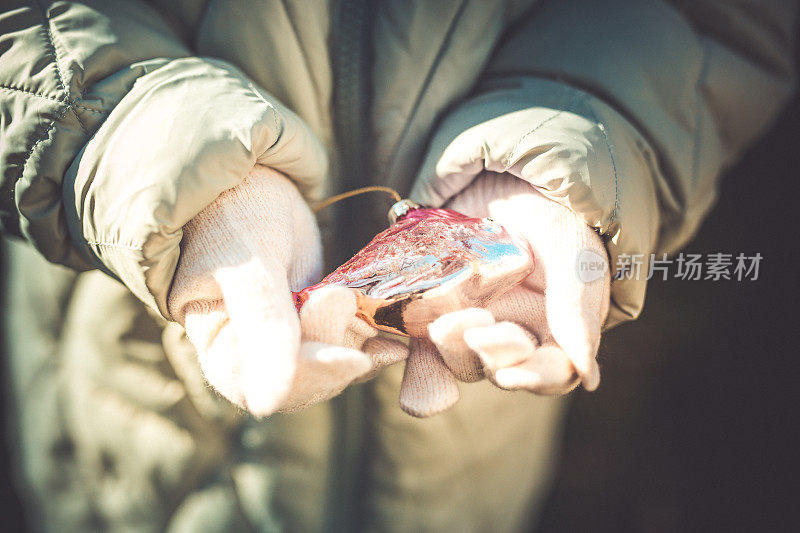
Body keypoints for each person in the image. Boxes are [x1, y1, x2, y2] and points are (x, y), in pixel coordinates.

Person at [0, 1, 795, 531]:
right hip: (137, 397)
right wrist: (148, 155)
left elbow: (708, 18)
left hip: (465, 449)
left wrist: (583, 136)